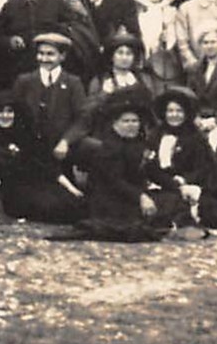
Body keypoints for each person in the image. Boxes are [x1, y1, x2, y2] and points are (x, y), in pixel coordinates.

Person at [51, 90, 165, 243]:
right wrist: (141, 196)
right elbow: (115, 181)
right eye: (126, 121)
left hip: (134, 193)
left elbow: (153, 172)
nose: (131, 125)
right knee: (129, 226)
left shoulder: (140, 145)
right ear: (115, 124)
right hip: (111, 197)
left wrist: (178, 186)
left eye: (135, 121)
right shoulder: (108, 148)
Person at [0, 92, 85, 224]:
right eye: (0, 112)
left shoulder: (25, 135)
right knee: (50, 208)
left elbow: (47, 167)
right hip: (14, 193)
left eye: (9, 112)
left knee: (73, 202)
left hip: (38, 184)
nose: (5, 116)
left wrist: (71, 188)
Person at [146, 86, 217, 231]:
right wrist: (170, 182)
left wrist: (184, 180)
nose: (174, 115)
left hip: (190, 183)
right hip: (161, 184)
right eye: (170, 111)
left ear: (186, 114)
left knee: (208, 205)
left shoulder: (195, 137)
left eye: (179, 111)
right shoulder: (155, 135)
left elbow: (204, 167)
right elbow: (150, 166)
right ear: (164, 113)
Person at [9, 32, 91, 163]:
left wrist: (66, 141)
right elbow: (14, 113)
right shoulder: (24, 81)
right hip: (29, 147)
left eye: (50, 54)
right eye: (41, 53)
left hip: (60, 149)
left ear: (62, 56)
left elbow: (82, 118)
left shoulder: (73, 83)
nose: (44, 58)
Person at [133, 0, 184, 90]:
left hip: (168, 64)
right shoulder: (138, 13)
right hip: (143, 63)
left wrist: (168, 40)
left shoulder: (172, 12)